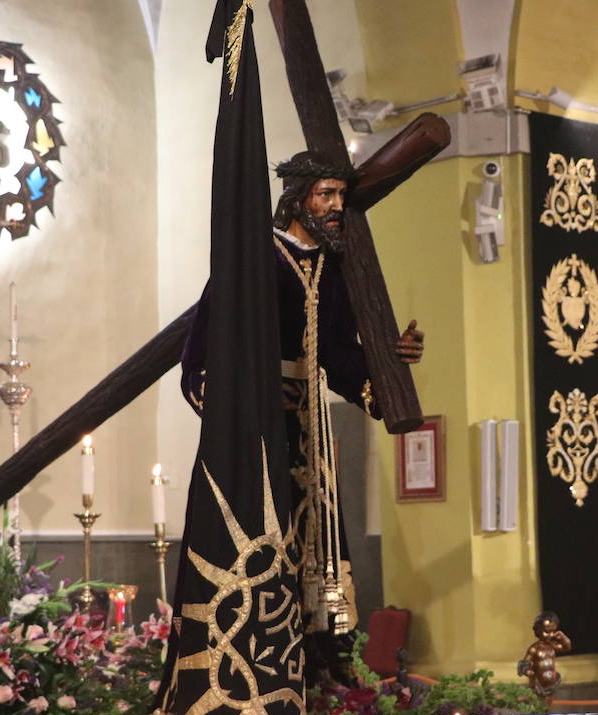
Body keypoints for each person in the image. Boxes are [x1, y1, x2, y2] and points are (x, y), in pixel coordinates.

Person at [179, 149, 424, 675]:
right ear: (296, 199)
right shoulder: (251, 259)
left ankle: (321, 665)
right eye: (325, 195)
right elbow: (200, 355)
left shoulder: (334, 269)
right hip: (256, 423)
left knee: (318, 536)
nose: (335, 206)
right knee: (260, 530)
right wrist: (236, 415)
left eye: (340, 196)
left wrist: (389, 364)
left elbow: (339, 355)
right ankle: (251, 655)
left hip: (311, 425)